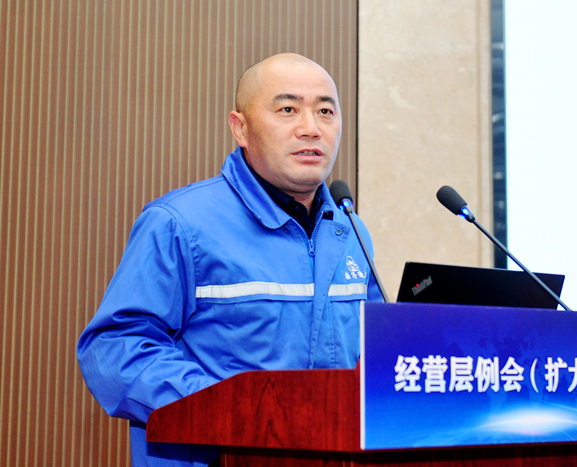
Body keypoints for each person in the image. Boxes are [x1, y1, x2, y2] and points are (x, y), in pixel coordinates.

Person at [77, 53, 382, 467]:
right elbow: (115, 349)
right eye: (288, 109)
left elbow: (371, 353)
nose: (311, 128)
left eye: (325, 111)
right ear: (240, 128)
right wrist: (231, 411)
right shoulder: (179, 223)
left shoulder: (350, 231)